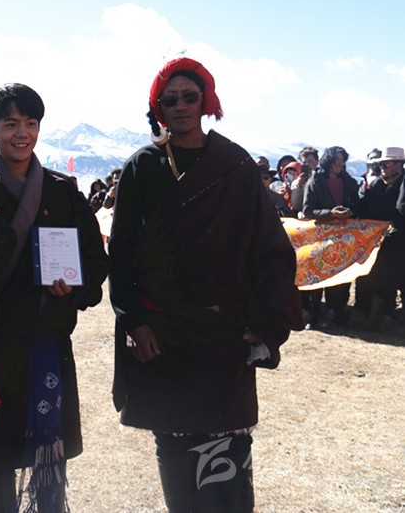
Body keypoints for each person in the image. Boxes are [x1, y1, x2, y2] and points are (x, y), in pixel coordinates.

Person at [108, 57, 302, 513]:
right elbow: (122, 254)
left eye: (189, 97)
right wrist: (134, 321)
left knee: (227, 455)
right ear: (158, 107)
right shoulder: (142, 167)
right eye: (169, 100)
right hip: (162, 334)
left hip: (224, 336)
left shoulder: (234, 165)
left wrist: (266, 324)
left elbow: (270, 250)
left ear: (205, 102)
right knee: (175, 446)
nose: (180, 106)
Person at [0, 83, 109, 513]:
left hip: (47, 343)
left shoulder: (64, 194)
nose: (22, 133)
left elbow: (95, 264)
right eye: (11, 124)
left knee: (48, 457)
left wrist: (74, 288)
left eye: (31, 123)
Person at [302, 145, 360, 328]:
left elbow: (357, 205)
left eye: (342, 160)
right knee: (318, 275)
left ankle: (337, 313)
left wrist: (349, 212)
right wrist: (330, 213)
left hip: (343, 236)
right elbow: (308, 210)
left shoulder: (349, 182)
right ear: (328, 161)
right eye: (336, 160)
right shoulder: (315, 181)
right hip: (321, 236)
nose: (340, 164)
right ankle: (314, 315)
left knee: (341, 277)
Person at [352, 146, 405, 326]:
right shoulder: (375, 185)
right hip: (376, 241)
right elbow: (364, 208)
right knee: (371, 276)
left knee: (395, 277)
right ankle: (368, 311)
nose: (382, 168)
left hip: (399, 241)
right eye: (381, 164)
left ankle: (389, 312)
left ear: (398, 165)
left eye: (386, 164)